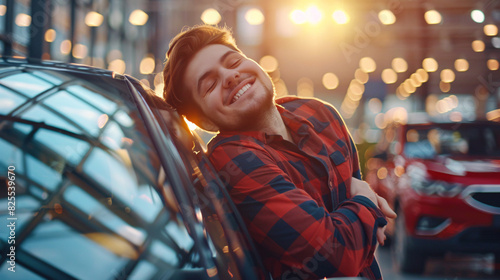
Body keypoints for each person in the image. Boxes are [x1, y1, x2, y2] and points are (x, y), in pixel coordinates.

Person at [162, 25, 396, 280]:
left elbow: (368, 236)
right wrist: (364, 198)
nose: (230, 77)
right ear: (205, 121)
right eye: (209, 85)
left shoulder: (318, 112)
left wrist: (361, 211)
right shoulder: (232, 159)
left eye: (233, 61)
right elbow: (338, 255)